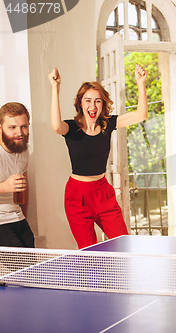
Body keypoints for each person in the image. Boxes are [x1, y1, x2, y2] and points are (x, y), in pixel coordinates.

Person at [48, 64, 148, 249]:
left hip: (103, 193)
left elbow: (141, 114)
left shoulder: (108, 124)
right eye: (87, 101)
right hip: (77, 197)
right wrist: (55, 88)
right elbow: (56, 126)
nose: (92, 105)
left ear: (103, 105)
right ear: (80, 103)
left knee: (124, 244)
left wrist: (140, 83)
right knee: (89, 252)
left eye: (97, 101)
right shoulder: (71, 128)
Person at [0, 102, 34, 247]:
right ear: (0, 128)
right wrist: (4, 187)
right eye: (12, 127)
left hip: (18, 217)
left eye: (24, 127)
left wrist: (24, 216)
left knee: (33, 265)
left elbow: (24, 187)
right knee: (22, 266)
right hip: (1, 222)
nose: (19, 133)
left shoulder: (23, 149)